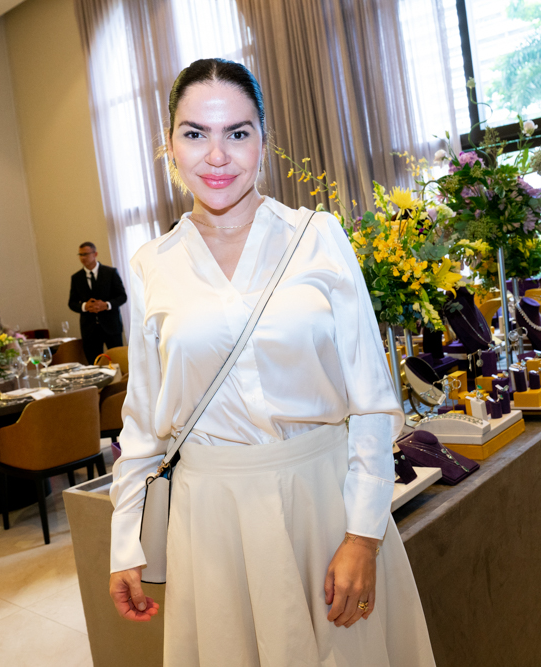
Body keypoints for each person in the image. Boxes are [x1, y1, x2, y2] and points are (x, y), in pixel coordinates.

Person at [108, 58, 436, 666]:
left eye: (237, 132)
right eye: (195, 133)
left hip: (322, 504)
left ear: (264, 139)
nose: (217, 156)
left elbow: (372, 401)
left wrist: (363, 535)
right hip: (211, 521)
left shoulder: (317, 236)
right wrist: (125, 542)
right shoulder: (155, 262)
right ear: (169, 145)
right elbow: (143, 427)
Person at [68, 242, 127, 364]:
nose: (83, 258)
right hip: (89, 329)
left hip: (111, 326)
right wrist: (84, 306)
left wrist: (107, 305)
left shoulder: (110, 273)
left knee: (118, 361)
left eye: (85, 254)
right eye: (80, 255)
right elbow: (72, 303)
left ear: (95, 254)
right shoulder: (76, 278)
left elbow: (122, 296)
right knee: (94, 364)